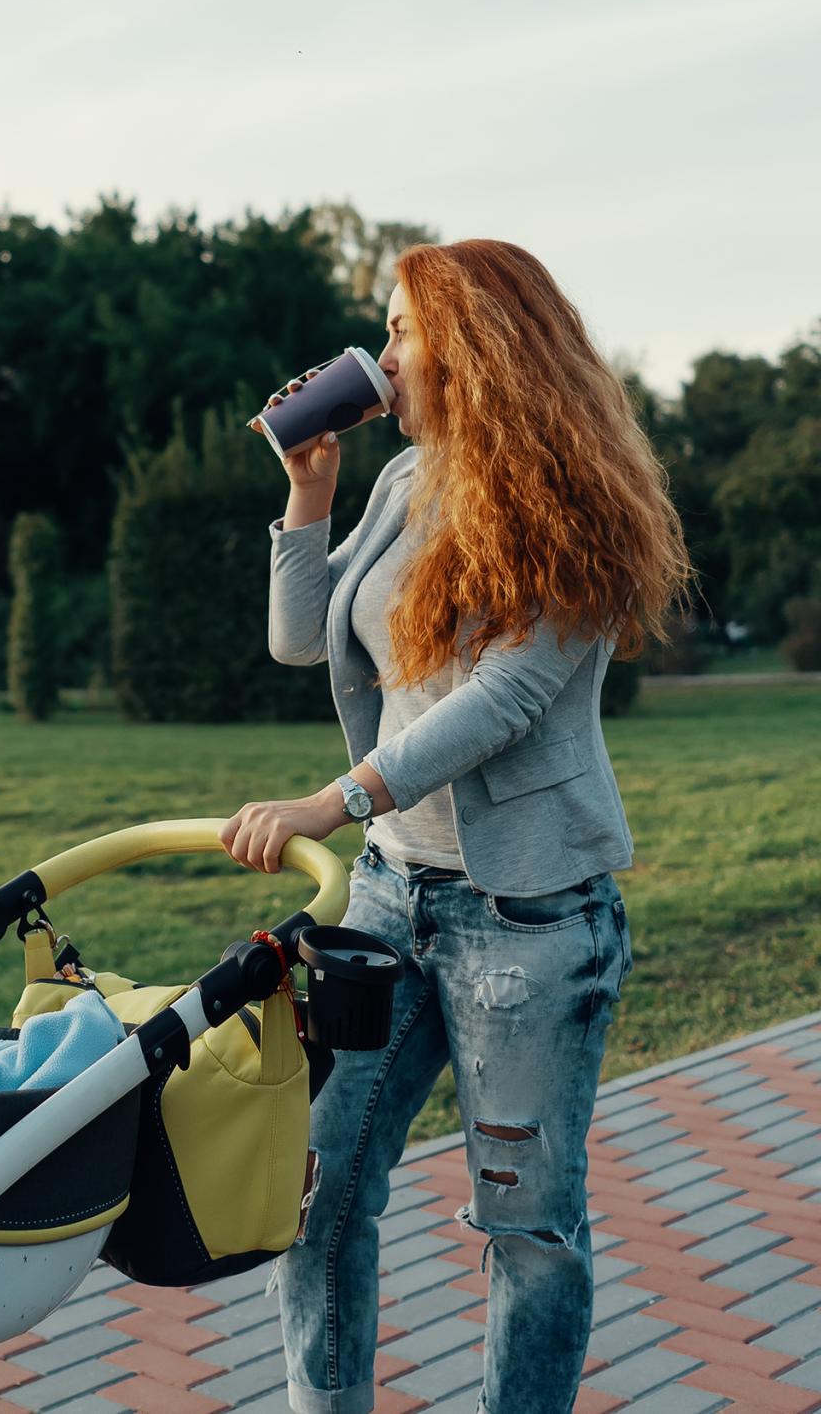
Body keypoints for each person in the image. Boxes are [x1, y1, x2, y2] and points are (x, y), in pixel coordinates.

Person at [226, 240, 688, 1414]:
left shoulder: (576, 503)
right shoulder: (398, 483)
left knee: (527, 1228)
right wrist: (308, 491)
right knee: (315, 1192)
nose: (379, 359)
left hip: (528, 920)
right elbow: (300, 642)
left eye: (398, 332)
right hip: (390, 894)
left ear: (473, 352)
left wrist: (332, 801)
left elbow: (507, 700)